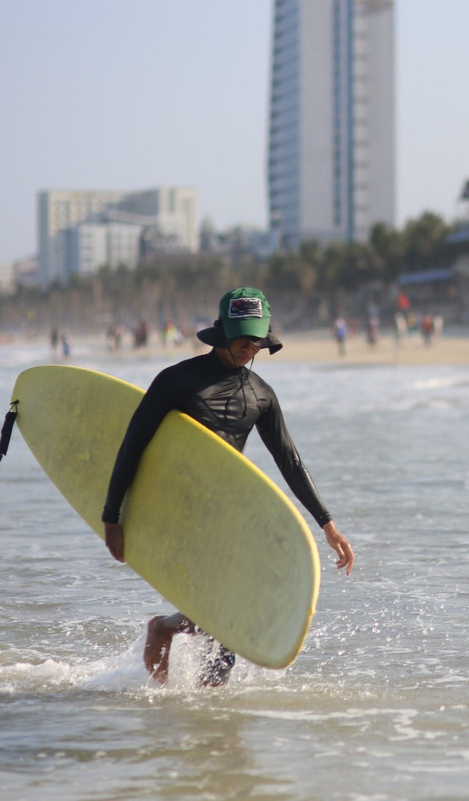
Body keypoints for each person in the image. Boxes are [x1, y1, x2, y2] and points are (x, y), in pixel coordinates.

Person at [101, 287, 354, 687]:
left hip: (227, 514)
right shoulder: (175, 381)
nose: (246, 346)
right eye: (240, 336)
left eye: (255, 338)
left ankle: (198, 702)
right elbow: (133, 445)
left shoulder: (261, 396)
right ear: (221, 331)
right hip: (179, 509)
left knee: (228, 623)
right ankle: (188, 698)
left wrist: (328, 524)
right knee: (224, 615)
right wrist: (111, 515)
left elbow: (289, 460)